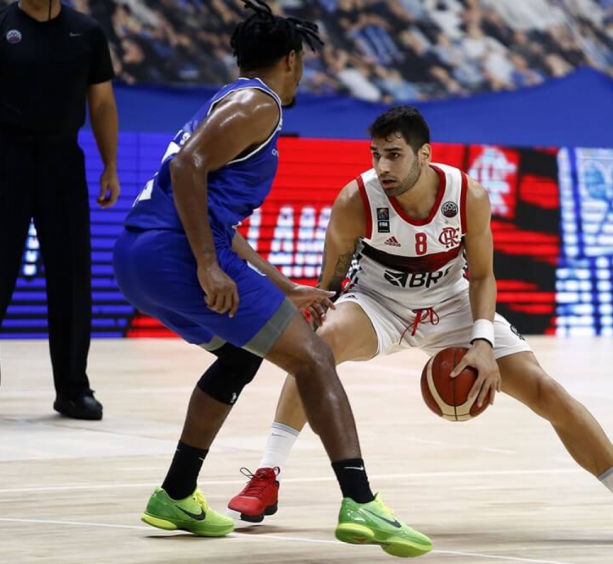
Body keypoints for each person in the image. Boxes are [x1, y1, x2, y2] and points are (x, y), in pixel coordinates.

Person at [229, 105, 613, 549]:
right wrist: (314, 316)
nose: (383, 167)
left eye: (394, 154)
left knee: (545, 389)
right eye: (376, 155)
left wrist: (480, 341)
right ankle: (267, 476)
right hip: (379, 302)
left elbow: (482, 277)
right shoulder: (356, 199)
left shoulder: (467, 195)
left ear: (424, 154)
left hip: (452, 301)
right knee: (317, 351)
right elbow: (329, 283)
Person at [112, 2, 432, 556]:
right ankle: (361, 501)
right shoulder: (258, 103)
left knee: (240, 357)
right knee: (313, 358)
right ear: (290, 58)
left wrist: (281, 285)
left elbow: (207, 203)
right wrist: (208, 265)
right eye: (301, 61)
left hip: (138, 256)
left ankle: (177, 493)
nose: (302, 72)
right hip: (175, 253)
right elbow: (187, 169)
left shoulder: (225, 101)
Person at [0, 0, 120, 420]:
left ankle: (72, 389)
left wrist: (110, 166)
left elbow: (102, 103)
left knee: (71, 277)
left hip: (62, 159)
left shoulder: (87, 32)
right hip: (3, 155)